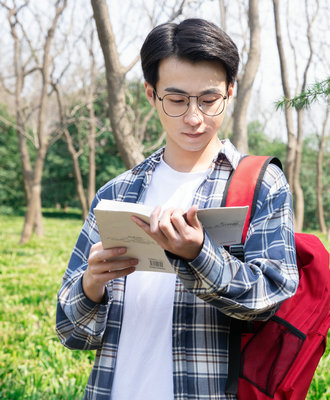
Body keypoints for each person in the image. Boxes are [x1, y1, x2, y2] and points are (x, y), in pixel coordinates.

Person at [56, 18, 298, 400]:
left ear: (230, 92)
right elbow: (72, 333)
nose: (193, 117)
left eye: (208, 99)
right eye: (177, 99)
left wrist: (199, 255)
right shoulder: (117, 193)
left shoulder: (259, 185)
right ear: (152, 95)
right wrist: (91, 287)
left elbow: (269, 299)